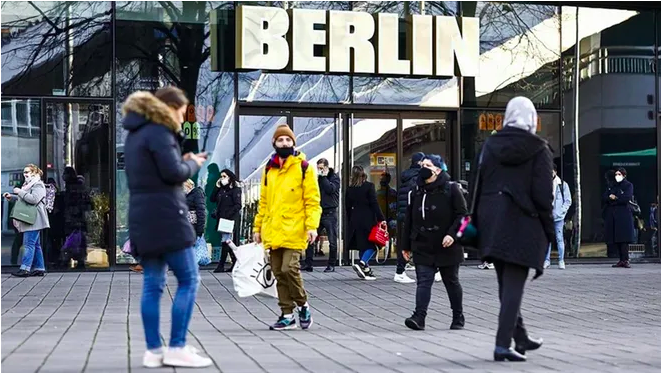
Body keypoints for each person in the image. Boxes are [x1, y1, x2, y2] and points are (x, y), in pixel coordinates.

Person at [122, 87, 212, 368]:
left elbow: (154, 173)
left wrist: (180, 162)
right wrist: (192, 164)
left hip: (143, 219)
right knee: (189, 279)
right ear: (170, 107)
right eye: (182, 112)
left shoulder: (135, 135)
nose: (182, 117)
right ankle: (176, 346)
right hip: (168, 217)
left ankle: (153, 350)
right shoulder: (160, 132)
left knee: (152, 285)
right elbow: (173, 174)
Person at [473, 97, 551, 362]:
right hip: (523, 224)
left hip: (491, 221)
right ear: (531, 118)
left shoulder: (490, 145)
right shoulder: (539, 149)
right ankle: (502, 344)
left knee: (505, 284)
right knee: (514, 286)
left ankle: (520, 336)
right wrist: (549, 230)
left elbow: (478, 184)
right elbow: (543, 196)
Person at [253, 124, 321, 331]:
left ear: (294, 143)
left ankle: (303, 305)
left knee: (289, 268)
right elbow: (263, 201)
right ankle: (287, 314)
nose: (284, 143)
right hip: (273, 229)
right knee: (278, 273)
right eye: (281, 140)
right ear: (274, 143)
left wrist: (312, 226)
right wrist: (257, 228)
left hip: (295, 228)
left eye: (288, 140)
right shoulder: (269, 169)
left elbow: (312, 200)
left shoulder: (304, 167)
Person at [401, 155, 468, 331]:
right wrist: (405, 245)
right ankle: (419, 317)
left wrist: (453, 235)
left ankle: (458, 316)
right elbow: (409, 219)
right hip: (423, 244)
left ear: (438, 170)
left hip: (447, 245)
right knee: (423, 280)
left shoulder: (452, 189)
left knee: (451, 281)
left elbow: (464, 217)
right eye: (422, 165)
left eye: (428, 165)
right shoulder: (415, 190)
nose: (423, 168)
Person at [4, 164, 50, 277]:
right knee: (36, 244)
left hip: (34, 219)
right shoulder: (28, 185)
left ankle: (25, 268)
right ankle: (40, 267)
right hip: (31, 219)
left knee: (28, 244)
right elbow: (25, 199)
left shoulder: (38, 184)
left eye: (28, 172)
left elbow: (34, 199)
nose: (25, 174)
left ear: (34, 173)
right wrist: (12, 197)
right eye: (24, 172)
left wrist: (19, 192)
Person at [346, 165, 386, 280]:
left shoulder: (350, 188)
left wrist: (349, 220)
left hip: (355, 219)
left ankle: (366, 271)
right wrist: (381, 218)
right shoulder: (369, 186)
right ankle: (362, 263)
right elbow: (374, 204)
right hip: (368, 219)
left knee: (361, 244)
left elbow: (347, 206)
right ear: (363, 173)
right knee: (374, 245)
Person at [303, 158, 340, 273]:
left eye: (321, 168)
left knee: (332, 240)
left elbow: (330, 189)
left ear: (327, 167)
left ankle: (331, 264)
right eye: (318, 168)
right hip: (319, 212)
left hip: (330, 213)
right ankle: (308, 264)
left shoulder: (334, 178)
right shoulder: (317, 179)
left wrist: (323, 177)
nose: (319, 170)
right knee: (311, 239)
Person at [395, 152, 426, 284]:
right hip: (414, 215)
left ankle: (400, 271)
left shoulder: (406, 177)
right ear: (419, 163)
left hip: (404, 214)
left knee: (409, 243)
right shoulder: (418, 178)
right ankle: (400, 271)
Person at [603, 167, 635, 268]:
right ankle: (621, 259)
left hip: (624, 215)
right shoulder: (613, 185)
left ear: (624, 175)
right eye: (616, 174)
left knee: (624, 238)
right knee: (616, 237)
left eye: (619, 174)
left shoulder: (628, 185)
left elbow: (626, 198)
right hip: (613, 215)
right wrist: (610, 198)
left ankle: (625, 260)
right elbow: (605, 196)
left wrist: (615, 198)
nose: (617, 176)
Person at [211, 169, 241, 272]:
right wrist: (217, 186)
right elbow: (212, 198)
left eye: (224, 176)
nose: (222, 178)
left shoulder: (235, 189)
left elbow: (238, 205)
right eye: (221, 176)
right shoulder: (221, 189)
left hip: (229, 219)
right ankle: (236, 262)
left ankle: (221, 265)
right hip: (221, 219)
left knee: (226, 241)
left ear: (229, 177)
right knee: (226, 241)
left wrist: (228, 215)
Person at [544, 164, 572, 270]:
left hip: (558, 217)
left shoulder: (562, 185)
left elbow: (568, 201)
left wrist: (561, 212)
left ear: (555, 172)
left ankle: (561, 260)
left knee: (559, 239)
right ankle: (546, 261)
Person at [205, 163, 224, 269]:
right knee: (214, 233)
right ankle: (216, 256)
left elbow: (209, 195)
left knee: (216, 233)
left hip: (216, 212)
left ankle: (217, 256)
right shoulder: (213, 182)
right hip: (213, 211)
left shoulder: (215, 182)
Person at [184, 179, 206, 255]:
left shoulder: (197, 193)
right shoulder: (186, 195)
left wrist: (200, 229)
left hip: (193, 224)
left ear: (188, 185)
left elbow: (201, 211)